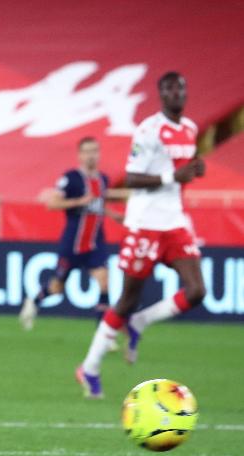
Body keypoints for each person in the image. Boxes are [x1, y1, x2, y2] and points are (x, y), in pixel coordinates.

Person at [76, 72, 206, 398]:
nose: (176, 93)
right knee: (126, 299)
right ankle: (89, 368)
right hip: (145, 223)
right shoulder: (148, 130)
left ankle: (141, 322)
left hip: (174, 222)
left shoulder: (189, 129)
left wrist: (193, 170)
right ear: (161, 94)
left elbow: (180, 172)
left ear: (185, 92)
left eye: (180, 87)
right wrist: (171, 175)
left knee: (197, 291)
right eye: (169, 89)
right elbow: (131, 178)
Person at [19, 137, 125, 331]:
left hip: (95, 242)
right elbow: (52, 204)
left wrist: (113, 215)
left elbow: (98, 205)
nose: (91, 155)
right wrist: (78, 202)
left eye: (94, 151)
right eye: (87, 151)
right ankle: (33, 302)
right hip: (73, 243)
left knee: (104, 281)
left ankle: (103, 334)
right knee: (57, 288)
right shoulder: (70, 178)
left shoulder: (103, 179)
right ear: (80, 155)